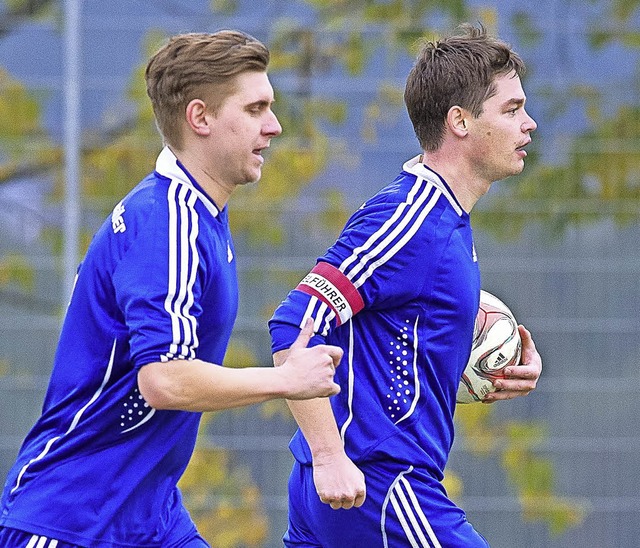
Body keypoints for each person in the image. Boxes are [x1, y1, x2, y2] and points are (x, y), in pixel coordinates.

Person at [0, 30, 343, 548]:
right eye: (255, 109)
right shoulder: (167, 224)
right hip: (74, 520)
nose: (274, 126)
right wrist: (286, 379)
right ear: (200, 118)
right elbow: (164, 381)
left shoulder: (198, 215)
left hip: (148, 516)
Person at [269, 23, 543, 547]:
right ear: (459, 121)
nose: (529, 124)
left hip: (345, 489)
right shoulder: (412, 219)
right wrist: (329, 456)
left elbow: (388, 341)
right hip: (378, 488)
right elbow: (293, 326)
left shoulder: (444, 218)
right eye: (511, 110)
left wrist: (481, 369)